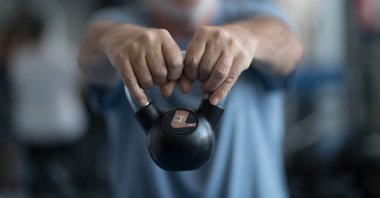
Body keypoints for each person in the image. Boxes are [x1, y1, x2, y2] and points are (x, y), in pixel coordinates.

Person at [78, 0, 303, 197]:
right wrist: (114, 40)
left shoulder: (256, 16)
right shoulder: (120, 22)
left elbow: (290, 46)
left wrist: (248, 39)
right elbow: (90, 51)